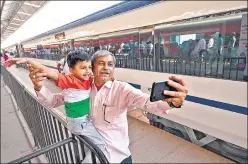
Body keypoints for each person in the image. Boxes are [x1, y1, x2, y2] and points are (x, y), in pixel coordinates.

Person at [13, 50, 188, 163]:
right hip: (90, 153)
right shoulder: (82, 89)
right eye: (101, 64)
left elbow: (147, 103)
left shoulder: (121, 89)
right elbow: (52, 102)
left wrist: (171, 102)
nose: (106, 68)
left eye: (110, 64)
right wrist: (38, 87)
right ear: (92, 68)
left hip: (119, 157)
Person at [4, 51, 107, 163]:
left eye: (89, 67)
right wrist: (28, 60)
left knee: (90, 147)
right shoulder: (73, 81)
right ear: (72, 70)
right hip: (80, 122)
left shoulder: (85, 81)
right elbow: (48, 72)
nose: (88, 71)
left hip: (81, 122)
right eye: (83, 68)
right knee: (99, 145)